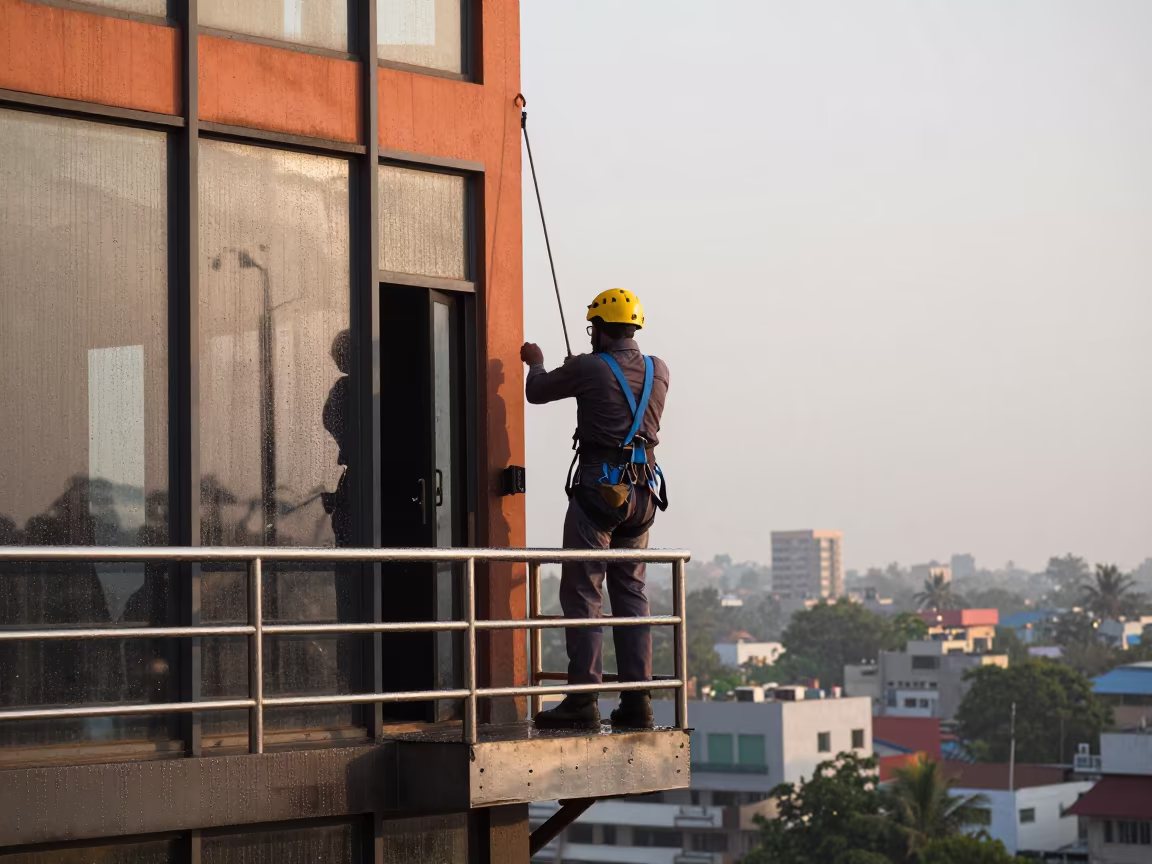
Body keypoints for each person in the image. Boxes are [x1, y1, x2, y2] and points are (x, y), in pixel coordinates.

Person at [520, 289, 670, 730]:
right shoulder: (658, 369)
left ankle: (583, 700)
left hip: (600, 493)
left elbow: (537, 392)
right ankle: (638, 701)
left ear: (600, 330)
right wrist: (584, 372)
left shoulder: (589, 367)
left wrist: (537, 361)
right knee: (631, 595)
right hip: (643, 495)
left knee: (585, 593)